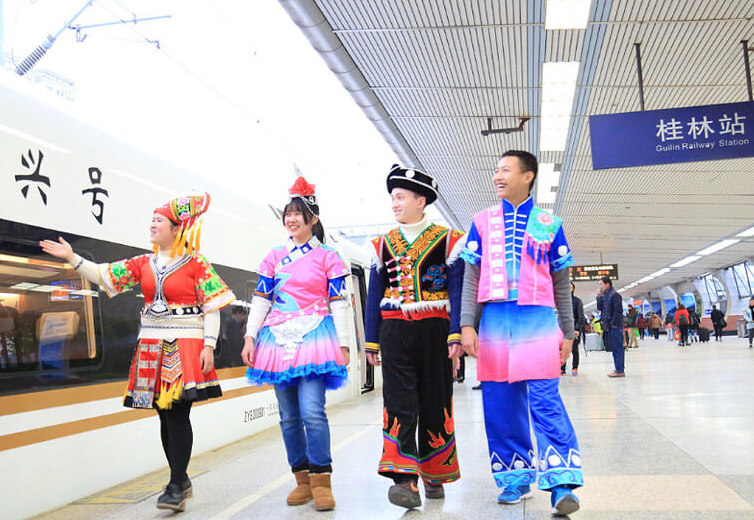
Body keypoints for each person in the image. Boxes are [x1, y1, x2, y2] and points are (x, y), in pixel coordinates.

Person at [40, 193, 235, 512]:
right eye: (152, 220)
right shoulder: (143, 263)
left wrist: (209, 345)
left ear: (177, 229)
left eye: (159, 221)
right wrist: (73, 258)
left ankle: (175, 485)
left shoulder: (196, 263)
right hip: (151, 346)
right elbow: (105, 275)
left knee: (177, 413)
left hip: (184, 345)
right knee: (163, 413)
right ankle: (180, 479)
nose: (152, 225)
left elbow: (211, 308)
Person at [459, 150, 582, 516]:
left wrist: (569, 332)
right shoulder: (480, 222)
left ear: (528, 176)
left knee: (545, 401)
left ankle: (562, 485)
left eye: (505, 170)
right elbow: (470, 278)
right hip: (494, 321)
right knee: (500, 402)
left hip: (539, 320)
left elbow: (562, 282)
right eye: (496, 170)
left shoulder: (549, 222)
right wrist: (467, 324)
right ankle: (514, 478)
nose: (497, 175)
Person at [241, 176, 351, 511]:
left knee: (313, 411)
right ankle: (301, 479)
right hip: (276, 339)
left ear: (313, 219)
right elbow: (261, 299)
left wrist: (344, 344)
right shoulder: (273, 257)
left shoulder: (329, 257)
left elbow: (339, 302)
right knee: (288, 416)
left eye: (298, 213)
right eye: (288, 213)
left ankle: (321, 480)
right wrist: (250, 336)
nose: (291, 219)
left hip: (316, 334)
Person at [365, 164, 465, 509]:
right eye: (393, 197)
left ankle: (435, 474)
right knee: (398, 402)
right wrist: (372, 340)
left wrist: (457, 333)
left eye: (401, 196)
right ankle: (405, 479)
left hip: (436, 329)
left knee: (435, 400)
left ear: (421, 200)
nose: (394, 203)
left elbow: (457, 286)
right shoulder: (381, 244)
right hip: (394, 330)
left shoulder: (449, 239)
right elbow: (374, 293)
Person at [598, 277, 624, 377]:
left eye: (601, 284)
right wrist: (599, 297)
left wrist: (613, 323)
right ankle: (618, 368)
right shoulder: (605, 296)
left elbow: (618, 311)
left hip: (615, 326)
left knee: (618, 348)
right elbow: (600, 308)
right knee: (614, 348)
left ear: (607, 284)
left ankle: (620, 370)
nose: (600, 287)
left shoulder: (615, 295)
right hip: (609, 326)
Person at [562, 282, 585, 376]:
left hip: (574, 329)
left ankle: (575, 367)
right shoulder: (561, 301)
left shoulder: (577, 301)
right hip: (563, 329)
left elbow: (581, 317)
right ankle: (562, 368)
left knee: (574, 350)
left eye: (570, 287)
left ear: (573, 289)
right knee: (562, 349)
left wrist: (577, 329)